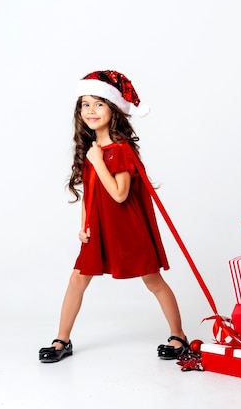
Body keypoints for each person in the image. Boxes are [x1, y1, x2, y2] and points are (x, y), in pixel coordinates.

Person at [39, 70, 188, 363]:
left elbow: (119, 193)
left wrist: (98, 162)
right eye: (85, 104)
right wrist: (83, 226)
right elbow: (90, 193)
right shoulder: (92, 150)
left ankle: (178, 335)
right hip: (100, 229)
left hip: (127, 229)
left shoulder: (119, 150)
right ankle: (62, 340)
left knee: (153, 281)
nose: (90, 111)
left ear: (114, 109)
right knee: (77, 280)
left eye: (99, 104)